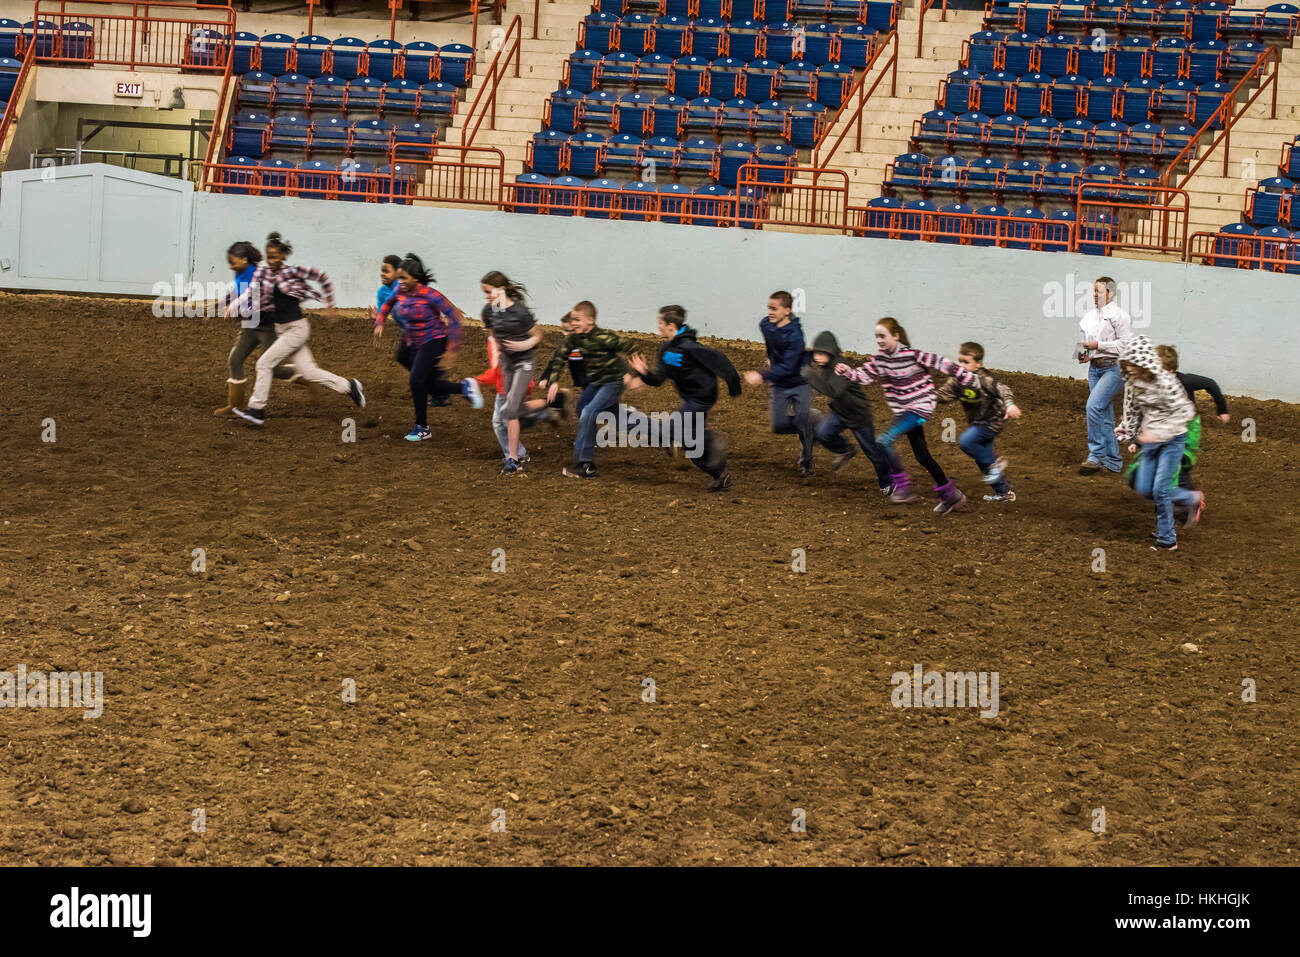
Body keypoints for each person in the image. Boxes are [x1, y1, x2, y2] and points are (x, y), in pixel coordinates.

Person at [835, 318, 977, 513]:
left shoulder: (913, 355)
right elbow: (864, 375)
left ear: (895, 336)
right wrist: (848, 372)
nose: (879, 340)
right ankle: (950, 494)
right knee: (922, 456)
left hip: (919, 409)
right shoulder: (880, 360)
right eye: (877, 337)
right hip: (905, 411)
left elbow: (942, 363)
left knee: (884, 440)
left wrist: (968, 378)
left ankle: (902, 487)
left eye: (882, 336)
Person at [231, 232, 364, 427]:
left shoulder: (293, 271)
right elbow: (251, 292)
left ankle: (256, 409)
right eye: (269, 257)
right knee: (309, 372)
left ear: (283, 256)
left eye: (275, 257)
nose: (272, 261)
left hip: (297, 329)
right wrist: (234, 305)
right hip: (283, 330)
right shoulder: (263, 273)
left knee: (264, 364)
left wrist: (330, 305)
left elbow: (322, 277)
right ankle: (349, 386)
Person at [626, 305, 741, 492]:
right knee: (690, 445)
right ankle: (720, 475)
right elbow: (658, 380)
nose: (658, 326)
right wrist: (645, 373)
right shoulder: (665, 350)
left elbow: (719, 360)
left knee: (671, 429)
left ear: (671, 325)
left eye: (660, 323)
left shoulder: (691, 347)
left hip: (702, 397)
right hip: (690, 399)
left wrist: (733, 384)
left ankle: (710, 438)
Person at [373, 253, 483, 441]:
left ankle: (422, 427)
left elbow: (455, 317)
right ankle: (464, 388)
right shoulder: (400, 289)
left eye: (404, 278)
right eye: (399, 278)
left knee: (416, 380)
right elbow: (388, 304)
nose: (400, 282)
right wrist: (380, 321)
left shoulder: (430, 295)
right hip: (415, 342)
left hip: (434, 340)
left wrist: (452, 349)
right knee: (429, 384)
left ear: (415, 278)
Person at [1114, 336, 1201, 550]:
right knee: (1144, 488)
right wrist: (1127, 429)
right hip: (1151, 439)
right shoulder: (1132, 384)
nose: (1129, 369)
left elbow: (1186, 412)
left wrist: (1159, 433)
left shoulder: (1166, 382)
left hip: (1173, 439)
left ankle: (1167, 540)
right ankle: (1190, 498)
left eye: (1132, 364)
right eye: (1126, 364)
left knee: (1161, 490)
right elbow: (1132, 410)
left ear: (1143, 362)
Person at [539, 300, 642, 479]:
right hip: (596, 384)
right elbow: (560, 357)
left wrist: (638, 373)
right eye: (572, 320)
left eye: (577, 320)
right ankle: (668, 433)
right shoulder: (575, 339)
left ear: (591, 321)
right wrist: (554, 380)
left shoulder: (603, 337)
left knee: (588, 412)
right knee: (599, 413)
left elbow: (630, 347)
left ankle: (585, 464)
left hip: (612, 382)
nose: (574, 324)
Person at [800, 331, 895, 495]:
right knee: (823, 433)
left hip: (858, 416)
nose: (817, 357)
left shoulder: (840, 366)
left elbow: (834, 392)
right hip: (840, 413)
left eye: (821, 353)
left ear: (831, 352)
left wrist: (810, 376)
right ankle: (845, 449)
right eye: (816, 353)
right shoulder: (826, 366)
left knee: (872, 452)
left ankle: (888, 482)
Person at [213, 240, 294, 416]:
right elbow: (237, 293)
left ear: (243, 260)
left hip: (267, 326)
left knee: (275, 369)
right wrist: (219, 304)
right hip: (251, 325)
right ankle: (234, 406)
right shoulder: (242, 273)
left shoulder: (257, 275)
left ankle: (306, 374)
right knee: (235, 360)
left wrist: (234, 310)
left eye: (233, 263)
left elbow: (252, 303)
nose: (231, 267)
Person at [935, 341, 1022, 503]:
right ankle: (1004, 493)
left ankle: (994, 463)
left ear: (978, 364)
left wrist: (1009, 404)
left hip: (993, 421)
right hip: (977, 422)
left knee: (966, 442)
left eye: (966, 362)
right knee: (982, 460)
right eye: (960, 360)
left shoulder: (983, 379)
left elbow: (1002, 389)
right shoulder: (956, 380)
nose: (961, 365)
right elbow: (942, 394)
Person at [742, 291, 816, 475]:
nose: (770, 312)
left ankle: (806, 459)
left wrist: (762, 375)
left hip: (799, 382)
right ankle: (809, 423)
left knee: (801, 419)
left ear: (787, 310)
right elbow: (770, 343)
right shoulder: (766, 325)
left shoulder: (795, 336)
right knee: (779, 425)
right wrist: (770, 356)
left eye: (775, 309)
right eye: (769, 308)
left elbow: (789, 367)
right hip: (780, 384)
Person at [480, 271, 541, 474]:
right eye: (485, 293)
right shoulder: (489, 312)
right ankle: (550, 405)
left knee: (510, 410)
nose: (487, 297)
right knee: (508, 411)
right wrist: (496, 355)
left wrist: (522, 345)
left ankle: (513, 459)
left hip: (523, 364)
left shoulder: (520, 312)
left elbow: (538, 336)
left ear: (501, 289)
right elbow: (492, 336)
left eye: (489, 292)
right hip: (506, 365)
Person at [1077, 276, 1133, 475]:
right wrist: (1085, 354)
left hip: (1114, 368)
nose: (1095, 295)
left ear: (1110, 294)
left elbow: (1126, 345)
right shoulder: (1089, 317)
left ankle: (1095, 454)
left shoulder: (1119, 316)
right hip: (1095, 367)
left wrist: (1099, 346)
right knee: (1104, 413)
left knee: (1093, 407)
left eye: (1099, 292)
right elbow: (1087, 343)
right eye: (1094, 291)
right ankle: (1113, 461)